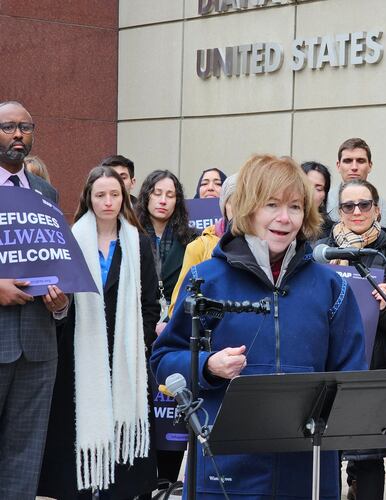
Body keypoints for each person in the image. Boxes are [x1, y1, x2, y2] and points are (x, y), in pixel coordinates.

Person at [151, 154, 367, 500]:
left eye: (295, 207)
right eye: (271, 205)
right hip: (225, 471)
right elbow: (164, 360)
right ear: (248, 208)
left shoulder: (332, 286)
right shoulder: (204, 279)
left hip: (308, 475)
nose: (285, 218)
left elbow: (352, 378)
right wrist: (207, 366)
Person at [38, 166, 160, 499]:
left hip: (126, 358)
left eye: (115, 194)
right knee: (74, 440)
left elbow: (151, 305)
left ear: (125, 198)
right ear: (88, 198)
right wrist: (59, 309)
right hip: (79, 357)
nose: (108, 201)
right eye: (100, 194)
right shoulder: (70, 240)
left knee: (125, 474)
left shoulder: (139, 243)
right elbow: (59, 306)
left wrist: (137, 342)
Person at [0, 100, 69, 499]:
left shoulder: (46, 192)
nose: (18, 135)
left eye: (25, 127)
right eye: (9, 127)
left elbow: (57, 261)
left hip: (39, 347)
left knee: (25, 455)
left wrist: (60, 303)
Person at [319, 179, 386, 500]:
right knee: (326, 458)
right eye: (348, 206)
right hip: (329, 369)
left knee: (368, 459)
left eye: (364, 204)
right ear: (338, 211)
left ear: (377, 209)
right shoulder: (320, 252)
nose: (357, 211)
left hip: (375, 367)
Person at [135, 169, 196, 487]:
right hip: (138, 333)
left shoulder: (190, 238)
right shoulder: (131, 234)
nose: (163, 200)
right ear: (145, 196)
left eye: (170, 195)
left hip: (174, 331)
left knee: (172, 404)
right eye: (157, 193)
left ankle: (168, 479)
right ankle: (144, 476)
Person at [169, 173, 238, 316]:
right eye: (234, 202)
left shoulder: (268, 249)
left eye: (247, 203)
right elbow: (178, 307)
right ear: (224, 206)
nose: (240, 210)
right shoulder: (198, 247)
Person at [327, 138, 386, 252]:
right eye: (348, 161)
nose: (354, 167)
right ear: (338, 165)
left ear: (370, 165)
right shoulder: (322, 204)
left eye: (360, 161)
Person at [301, 161, 333, 239]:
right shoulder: (283, 221)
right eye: (306, 186)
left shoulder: (332, 232)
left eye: (318, 189)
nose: (311, 192)